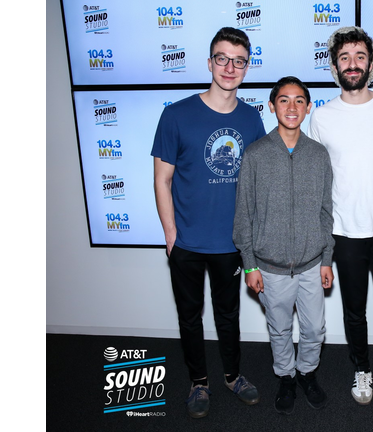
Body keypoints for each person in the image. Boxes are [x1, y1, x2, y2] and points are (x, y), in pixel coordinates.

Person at [151, 27, 265, 419]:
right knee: (189, 315)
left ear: (247, 67)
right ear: (209, 62)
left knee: (228, 314)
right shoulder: (176, 114)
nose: (229, 67)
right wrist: (170, 235)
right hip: (186, 243)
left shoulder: (252, 119)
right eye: (222, 58)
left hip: (231, 243)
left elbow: (256, 183)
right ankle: (199, 383)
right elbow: (162, 179)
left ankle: (233, 376)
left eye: (239, 60)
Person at [307, 26, 373, 405]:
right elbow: (316, 176)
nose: (353, 64)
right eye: (345, 57)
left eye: (360, 57)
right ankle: (361, 369)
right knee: (354, 309)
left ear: (371, 64)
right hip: (344, 230)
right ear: (335, 65)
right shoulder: (321, 117)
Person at [232, 76, 334, 415]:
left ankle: (307, 373)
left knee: (315, 329)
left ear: (307, 107)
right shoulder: (256, 154)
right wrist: (249, 263)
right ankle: (286, 376)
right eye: (284, 100)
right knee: (279, 329)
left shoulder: (319, 155)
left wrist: (326, 259)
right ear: (273, 105)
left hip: (310, 263)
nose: (292, 107)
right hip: (270, 267)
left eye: (299, 101)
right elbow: (244, 212)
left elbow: (325, 211)